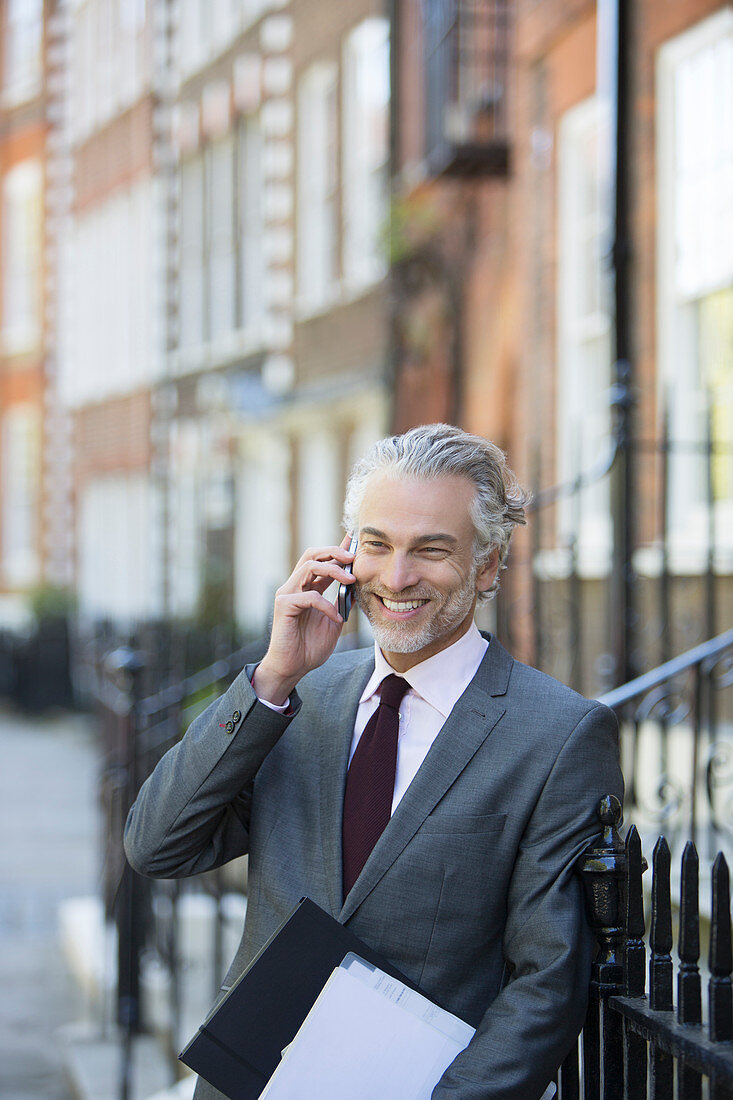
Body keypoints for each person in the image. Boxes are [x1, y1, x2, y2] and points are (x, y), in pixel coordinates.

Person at [124, 423, 623, 1100]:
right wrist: (271, 679)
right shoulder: (298, 697)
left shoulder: (558, 734)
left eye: (431, 550)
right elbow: (156, 846)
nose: (395, 577)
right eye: (377, 545)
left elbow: (547, 985)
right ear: (343, 554)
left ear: (487, 565)